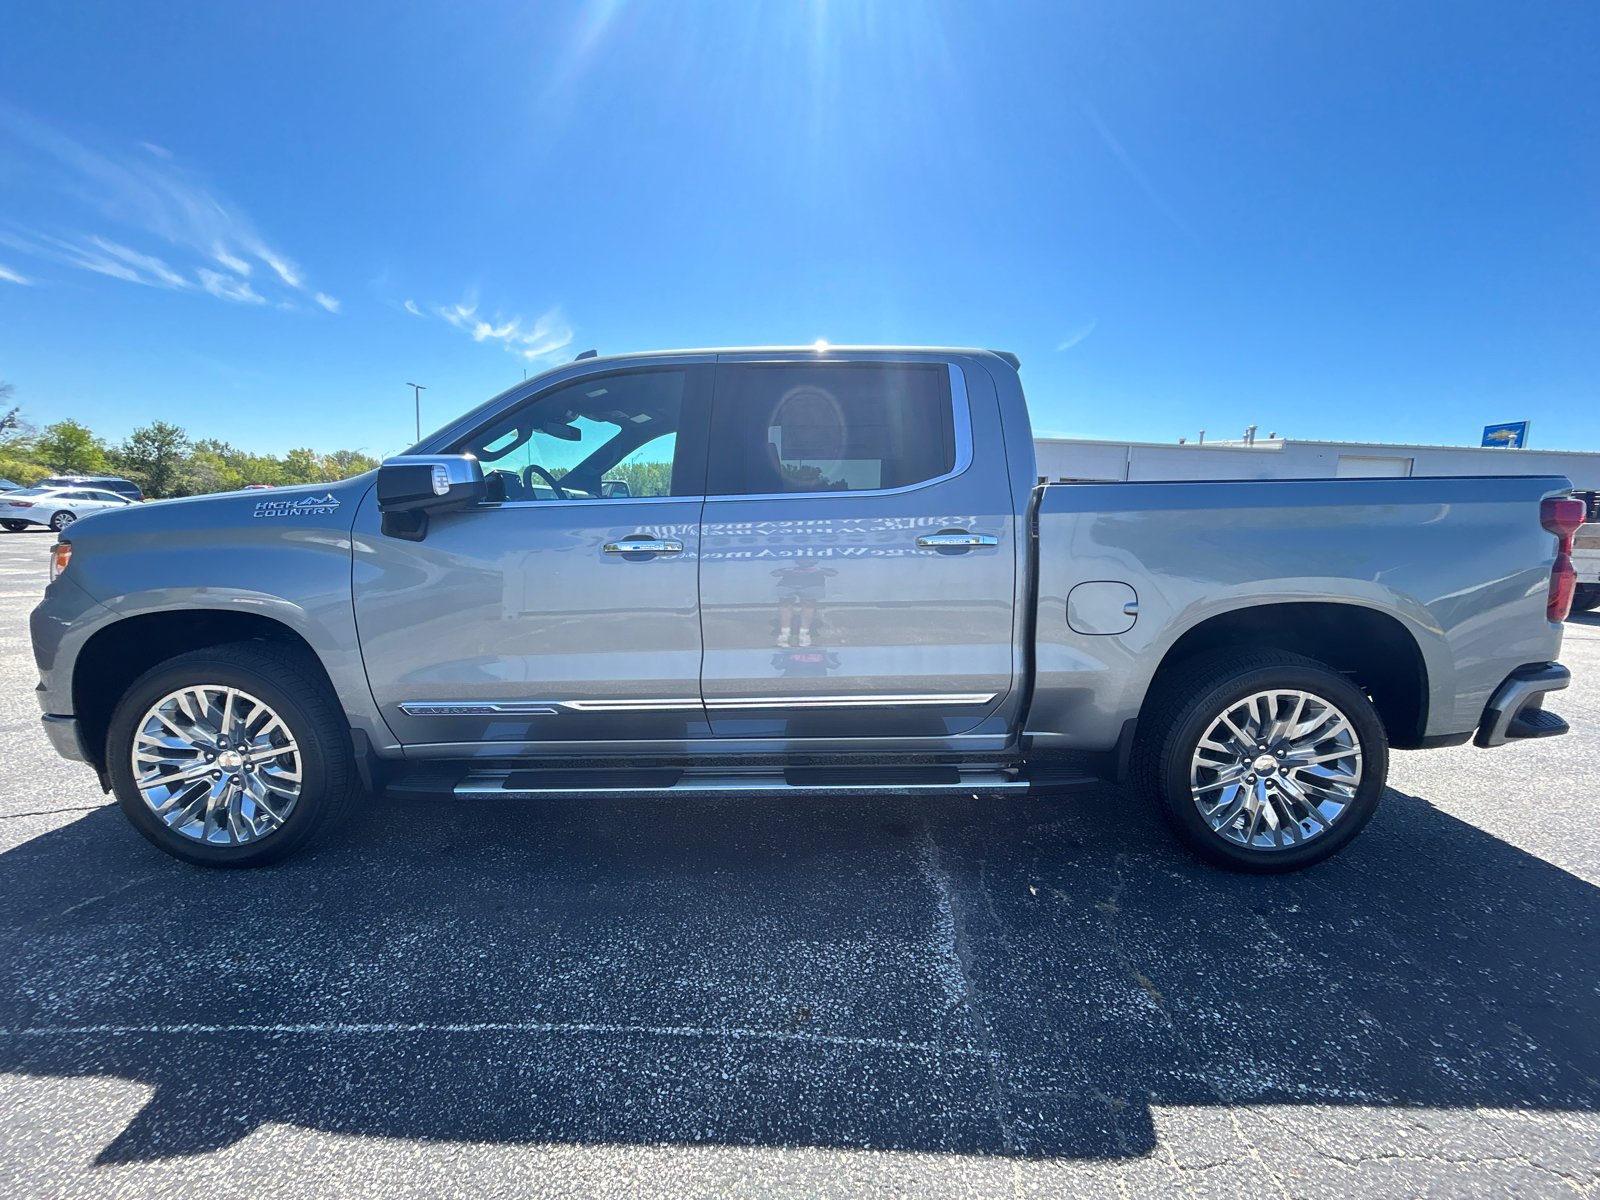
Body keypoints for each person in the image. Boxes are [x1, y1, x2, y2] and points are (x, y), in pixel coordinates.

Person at [772, 560, 837, 647]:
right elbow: (774, 573)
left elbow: (833, 573)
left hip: (813, 583)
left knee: (809, 603)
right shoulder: (788, 564)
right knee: (785, 603)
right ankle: (784, 633)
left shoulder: (821, 564)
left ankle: (804, 633)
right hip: (788, 582)